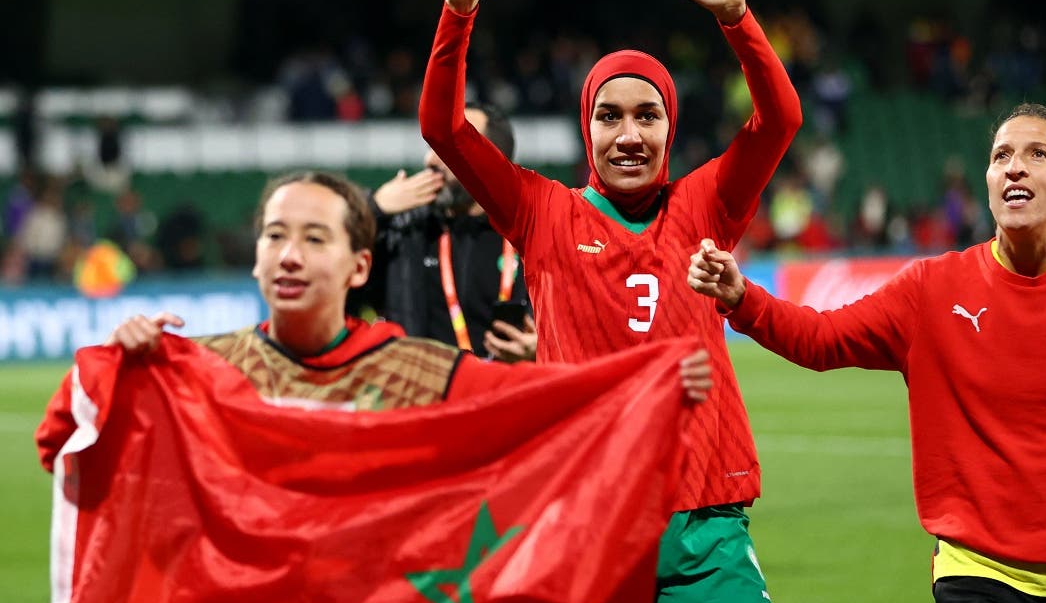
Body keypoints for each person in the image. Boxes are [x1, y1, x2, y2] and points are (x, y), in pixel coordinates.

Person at [419, 0, 803, 603]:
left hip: (707, 533)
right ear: (585, 129)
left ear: (671, 126)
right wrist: (458, 13)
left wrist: (738, 20)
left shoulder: (708, 205)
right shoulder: (538, 210)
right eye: (608, 115)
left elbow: (777, 121)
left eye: (648, 115)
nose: (629, 133)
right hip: (587, 529)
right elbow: (445, 130)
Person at [689, 102, 1046, 603]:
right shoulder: (933, 289)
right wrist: (743, 298)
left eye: (1036, 154)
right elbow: (823, 337)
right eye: (1000, 157)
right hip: (983, 580)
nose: (1013, 168)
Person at [38, 169, 712, 465]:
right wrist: (115, 370)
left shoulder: (416, 369)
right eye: (274, 236)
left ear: (360, 268)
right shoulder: (203, 366)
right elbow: (59, 441)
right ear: (253, 259)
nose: (290, 255)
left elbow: (547, 401)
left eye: (314, 238)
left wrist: (647, 378)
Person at [358, 102, 537, 362]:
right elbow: (331, 277)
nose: (429, 160)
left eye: (448, 147)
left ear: (493, 159)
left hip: (511, 395)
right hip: (424, 396)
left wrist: (545, 349)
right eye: (432, 146)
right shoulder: (406, 229)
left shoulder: (535, 234)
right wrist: (374, 209)